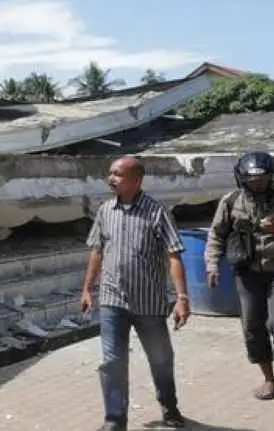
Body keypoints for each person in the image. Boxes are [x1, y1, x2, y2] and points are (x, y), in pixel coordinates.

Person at [81, 156, 190, 431]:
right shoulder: (106, 210)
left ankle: (169, 405)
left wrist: (182, 298)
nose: (111, 179)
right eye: (110, 173)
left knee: (160, 358)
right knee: (112, 361)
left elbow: (173, 255)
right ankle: (114, 420)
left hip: (148, 303)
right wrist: (87, 288)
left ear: (137, 180)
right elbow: (96, 250)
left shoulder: (157, 212)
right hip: (112, 300)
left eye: (118, 174)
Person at [204, 150, 274, 402]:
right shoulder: (231, 201)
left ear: (272, 178)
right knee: (252, 326)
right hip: (247, 273)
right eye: (252, 179)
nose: (258, 183)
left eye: (263, 179)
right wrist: (212, 265)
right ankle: (269, 379)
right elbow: (216, 235)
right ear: (241, 178)